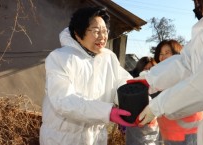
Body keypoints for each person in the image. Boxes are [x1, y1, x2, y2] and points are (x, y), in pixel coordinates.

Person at [39, 6, 136, 145]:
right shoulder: (60, 58)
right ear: (78, 34)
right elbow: (64, 100)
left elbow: (122, 83)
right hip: (61, 139)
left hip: (96, 139)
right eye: (96, 31)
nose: (102, 37)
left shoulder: (108, 58)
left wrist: (138, 103)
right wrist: (108, 112)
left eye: (105, 31)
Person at [130, 0, 203, 144]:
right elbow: (186, 62)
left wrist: (158, 106)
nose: (196, 6)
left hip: (189, 134)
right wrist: (150, 79)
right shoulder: (202, 30)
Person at [153, 39, 203, 145]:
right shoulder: (160, 78)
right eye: (161, 54)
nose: (163, 57)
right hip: (169, 132)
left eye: (167, 53)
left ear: (177, 55)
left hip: (188, 132)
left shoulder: (184, 75)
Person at [126, 56, 161, 145]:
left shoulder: (160, 84)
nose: (147, 71)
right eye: (144, 69)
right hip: (136, 123)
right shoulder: (133, 85)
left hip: (155, 123)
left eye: (150, 69)